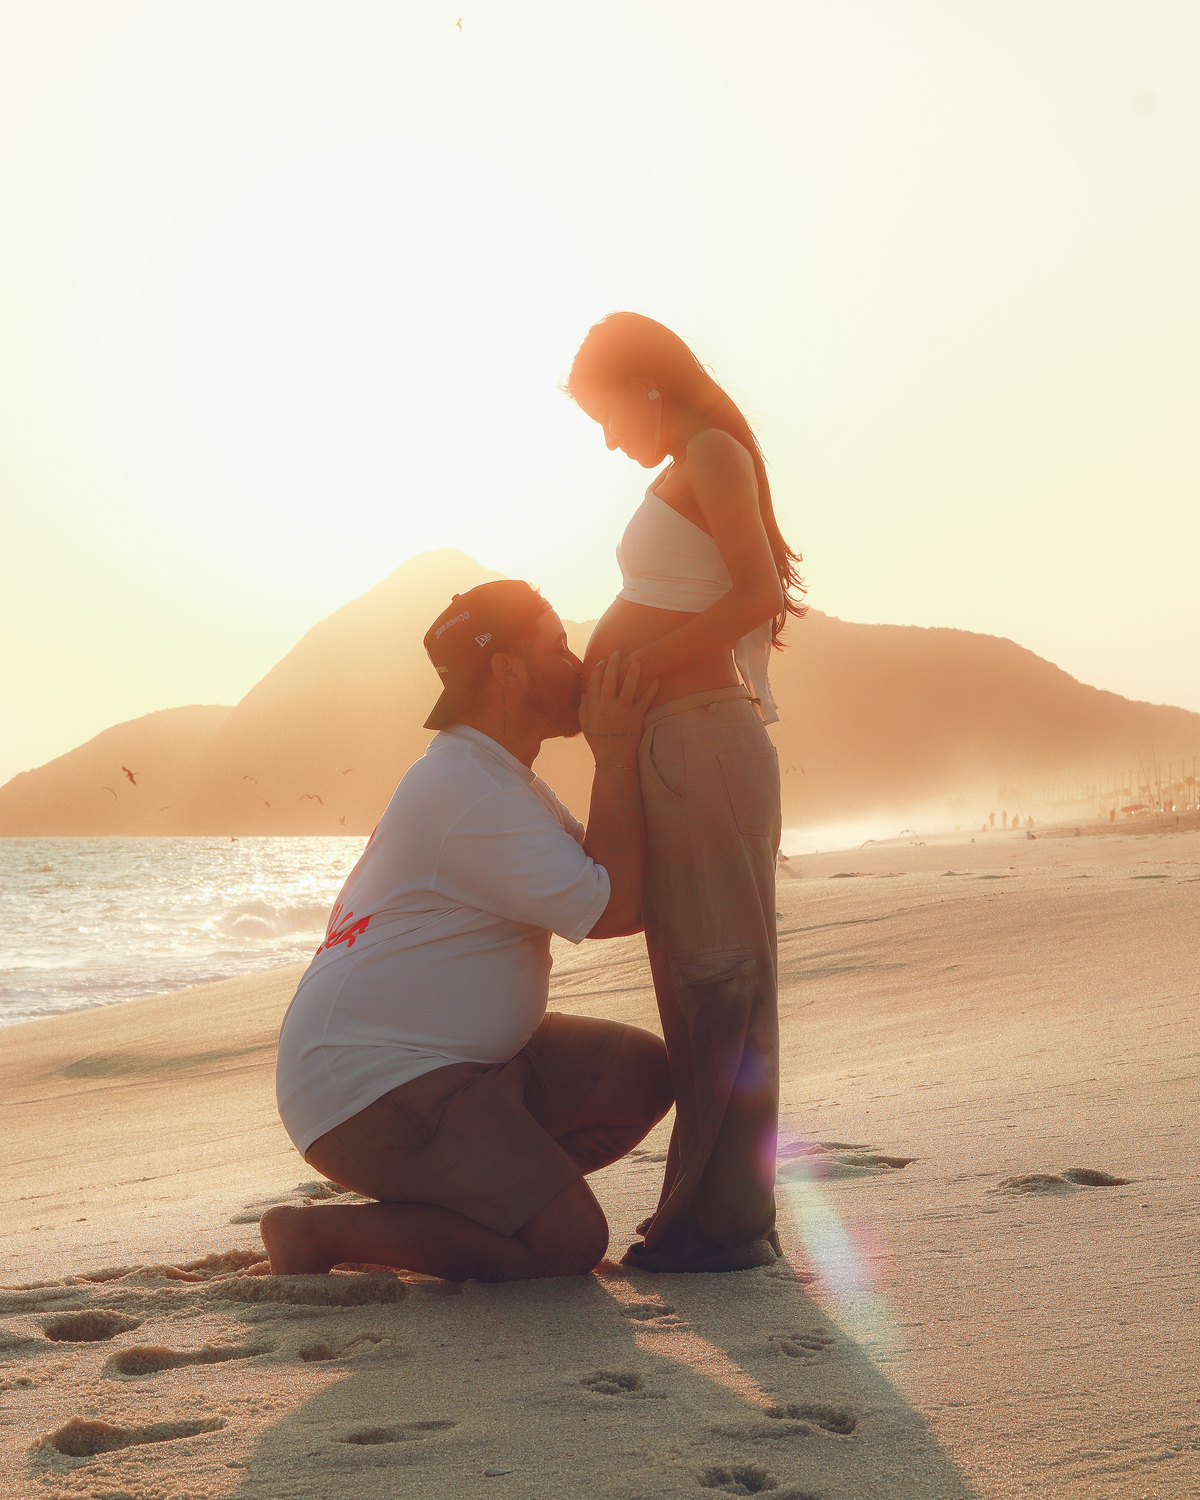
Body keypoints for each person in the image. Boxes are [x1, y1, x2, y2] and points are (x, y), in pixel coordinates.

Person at [263, 580, 671, 1282]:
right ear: (506, 669)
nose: (576, 665)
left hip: (468, 1068)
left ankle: (481, 1196)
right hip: (376, 1083)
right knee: (567, 1243)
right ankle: (315, 1237)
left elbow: (606, 870)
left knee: (643, 1074)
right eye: (557, 648)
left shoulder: (501, 778)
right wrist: (613, 753)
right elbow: (615, 909)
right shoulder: (469, 789)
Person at [567, 312, 805, 1272]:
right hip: (681, 744)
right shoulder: (696, 456)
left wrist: (638, 668)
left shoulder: (710, 449)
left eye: (607, 414)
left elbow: (757, 594)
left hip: (702, 739)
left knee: (722, 982)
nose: (609, 438)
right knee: (701, 978)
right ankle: (711, 1216)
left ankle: (724, 1225)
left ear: (646, 386)